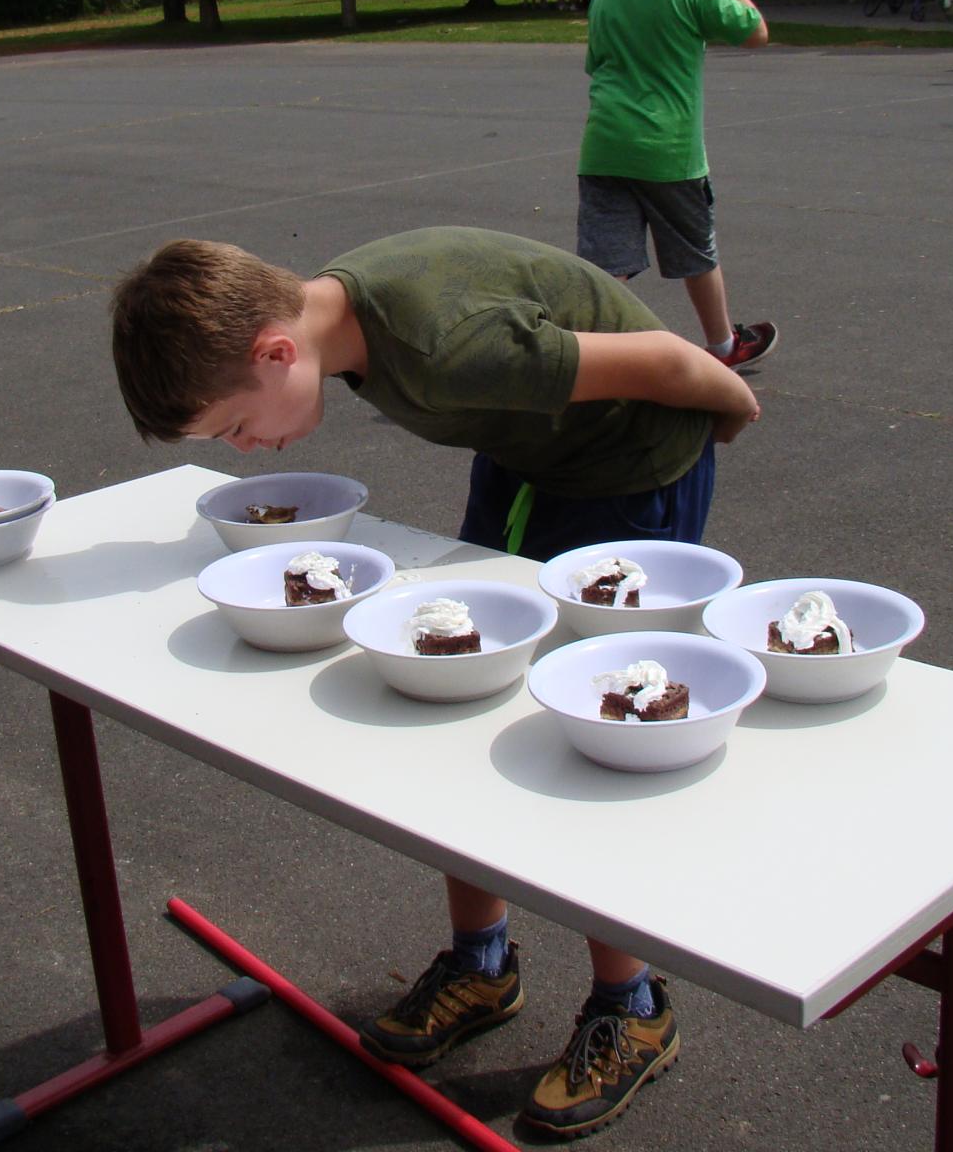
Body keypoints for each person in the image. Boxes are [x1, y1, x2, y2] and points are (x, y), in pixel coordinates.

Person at [109, 226, 763, 1138]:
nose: (247, 449)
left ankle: (634, 1006)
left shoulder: (443, 347)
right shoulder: (345, 320)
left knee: (595, 734)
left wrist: (729, 413)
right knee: (459, 691)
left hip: (631, 467)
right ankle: (482, 963)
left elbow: (666, 360)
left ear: (276, 352)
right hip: (535, 453)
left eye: (232, 427)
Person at [575, 0, 777, 370]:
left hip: (605, 145)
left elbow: (596, 63)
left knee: (607, 263)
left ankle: (583, 353)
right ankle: (724, 345)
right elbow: (756, 31)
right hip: (668, 149)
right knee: (695, 252)